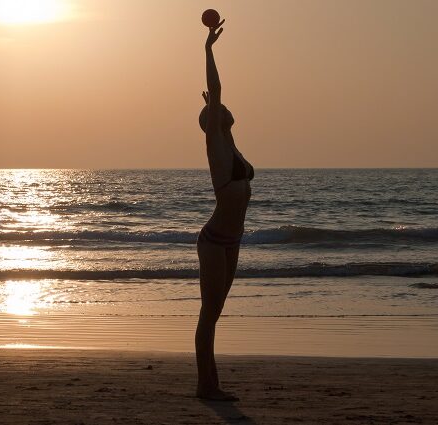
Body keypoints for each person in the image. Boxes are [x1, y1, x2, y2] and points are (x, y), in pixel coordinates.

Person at [195, 18, 254, 401]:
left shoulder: (230, 142)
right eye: (218, 110)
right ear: (213, 122)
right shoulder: (216, 144)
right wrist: (209, 49)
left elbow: (216, 102)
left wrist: (216, 111)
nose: (224, 108)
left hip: (232, 240)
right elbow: (216, 89)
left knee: (217, 312)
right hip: (215, 239)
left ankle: (211, 383)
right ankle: (206, 385)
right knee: (209, 312)